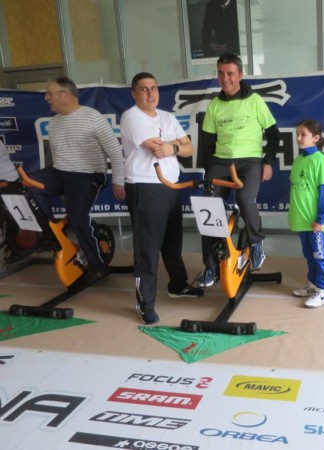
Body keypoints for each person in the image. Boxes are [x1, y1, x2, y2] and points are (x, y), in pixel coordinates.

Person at [120, 72, 204, 325]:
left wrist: (173, 146)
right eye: (144, 89)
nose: (150, 93)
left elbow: (189, 148)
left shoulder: (168, 117)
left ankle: (178, 284)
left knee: (172, 242)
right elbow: (156, 148)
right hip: (145, 186)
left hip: (170, 185)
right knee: (147, 248)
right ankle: (144, 303)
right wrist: (174, 145)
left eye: (154, 88)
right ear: (134, 93)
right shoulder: (131, 116)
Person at [30, 76, 125, 281]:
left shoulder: (93, 117)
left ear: (64, 94)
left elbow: (115, 152)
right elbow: (58, 157)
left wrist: (118, 181)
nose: (46, 98)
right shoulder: (54, 123)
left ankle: (98, 266)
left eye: (50, 93)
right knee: (29, 185)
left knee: (77, 218)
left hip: (88, 175)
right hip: (60, 171)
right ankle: (52, 233)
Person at [198, 53, 280, 287]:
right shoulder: (214, 105)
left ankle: (256, 243)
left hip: (249, 161)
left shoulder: (254, 100)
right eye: (221, 73)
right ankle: (211, 266)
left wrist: (268, 163)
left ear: (240, 75)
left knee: (245, 199)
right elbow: (207, 143)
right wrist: (208, 173)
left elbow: (273, 134)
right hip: (221, 162)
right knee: (209, 209)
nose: (225, 78)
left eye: (230, 73)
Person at [289, 120, 324, 308]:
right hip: (301, 220)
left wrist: (320, 219)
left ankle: (322, 291)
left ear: (316, 138)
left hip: (315, 222)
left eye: (303, 134)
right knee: (309, 255)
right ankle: (313, 285)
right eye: (297, 134)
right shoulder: (298, 160)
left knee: (320, 256)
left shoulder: (320, 161)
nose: (298, 138)